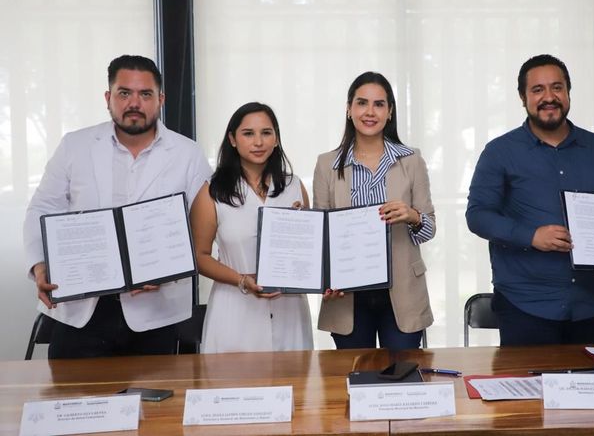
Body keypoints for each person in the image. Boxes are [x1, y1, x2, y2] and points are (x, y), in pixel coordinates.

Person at [23, 55, 211, 359]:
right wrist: (39, 264)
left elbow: (202, 227)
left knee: (153, 405)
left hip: (155, 315)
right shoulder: (75, 145)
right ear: (108, 98)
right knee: (75, 404)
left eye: (145, 94)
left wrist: (168, 270)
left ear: (160, 99)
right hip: (81, 310)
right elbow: (41, 208)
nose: (134, 103)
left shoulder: (188, 154)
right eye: (124, 93)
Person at [466, 54, 594, 346]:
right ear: (522, 97)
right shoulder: (500, 151)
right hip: (525, 304)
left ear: (568, 92)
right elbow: (477, 215)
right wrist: (531, 236)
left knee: (589, 389)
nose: (549, 97)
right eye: (537, 90)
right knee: (528, 391)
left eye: (557, 87)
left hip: (590, 303)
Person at [313, 71, 435, 350]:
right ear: (348, 109)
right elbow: (323, 235)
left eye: (379, 104)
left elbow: (429, 229)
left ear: (390, 112)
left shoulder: (412, 160)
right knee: (354, 381)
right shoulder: (326, 164)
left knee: (402, 381)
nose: (370, 112)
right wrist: (325, 277)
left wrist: (412, 216)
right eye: (362, 103)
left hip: (402, 293)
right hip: (347, 297)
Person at [190, 102, 313, 353]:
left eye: (266, 133)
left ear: (276, 139)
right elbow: (199, 257)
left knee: (294, 388)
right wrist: (242, 280)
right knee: (234, 386)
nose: (258, 142)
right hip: (235, 308)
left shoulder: (294, 187)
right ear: (233, 139)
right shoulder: (211, 192)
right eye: (248, 133)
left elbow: (309, 252)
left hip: (289, 309)